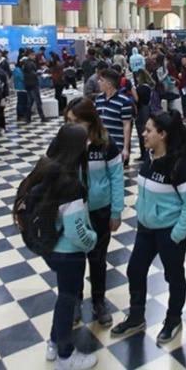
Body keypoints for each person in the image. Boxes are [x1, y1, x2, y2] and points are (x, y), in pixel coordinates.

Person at [111, 111, 186, 344]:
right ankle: (136, 316)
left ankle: (173, 319)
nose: (143, 134)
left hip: (170, 232)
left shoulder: (181, 166)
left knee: (173, 276)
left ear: (163, 135)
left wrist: (175, 236)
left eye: (148, 130)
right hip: (146, 228)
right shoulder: (150, 158)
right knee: (135, 270)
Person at [16, 124, 98, 370]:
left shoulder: (45, 169)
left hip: (49, 248)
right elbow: (76, 231)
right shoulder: (71, 185)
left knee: (63, 297)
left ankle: (54, 341)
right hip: (69, 253)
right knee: (67, 301)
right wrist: (92, 241)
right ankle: (65, 355)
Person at [64, 98, 124, 327]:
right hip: (73, 211)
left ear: (90, 121)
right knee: (74, 259)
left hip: (100, 211)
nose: (72, 126)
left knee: (98, 259)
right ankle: (75, 301)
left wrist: (116, 212)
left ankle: (99, 300)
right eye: (68, 121)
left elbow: (116, 178)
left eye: (77, 121)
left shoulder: (106, 143)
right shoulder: (65, 142)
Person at [94, 69, 132, 167]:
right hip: (100, 144)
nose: (98, 82)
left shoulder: (124, 101)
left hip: (116, 144)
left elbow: (127, 125)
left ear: (109, 84)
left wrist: (126, 148)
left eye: (101, 80)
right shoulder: (98, 99)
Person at [133, 68, 154, 161]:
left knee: (141, 132)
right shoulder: (149, 86)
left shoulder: (141, 88)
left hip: (142, 112)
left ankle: (144, 154)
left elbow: (138, 100)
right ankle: (147, 153)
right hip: (148, 110)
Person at [22, 50, 47, 123]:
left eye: (34, 55)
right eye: (32, 55)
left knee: (30, 102)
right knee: (38, 101)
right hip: (33, 84)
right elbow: (32, 73)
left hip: (28, 84)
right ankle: (42, 117)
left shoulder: (26, 63)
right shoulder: (30, 63)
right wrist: (39, 73)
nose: (34, 56)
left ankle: (28, 118)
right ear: (29, 55)